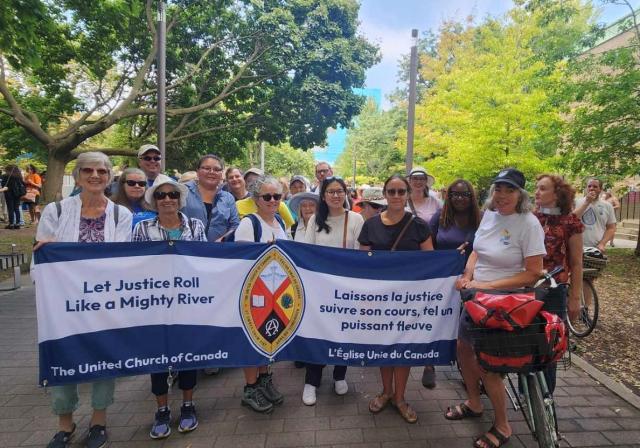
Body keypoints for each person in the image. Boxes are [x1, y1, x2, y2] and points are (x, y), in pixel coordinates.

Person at [35, 152, 132, 448]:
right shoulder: (57, 211)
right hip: (62, 304)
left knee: (103, 359)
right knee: (62, 358)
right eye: (88, 170)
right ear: (77, 176)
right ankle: (64, 424)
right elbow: (42, 256)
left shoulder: (121, 215)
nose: (95, 176)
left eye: (101, 171)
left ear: (109, 177)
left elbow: (123, 261)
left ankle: (98, 421)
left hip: (104, 303)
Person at [445, 168, 545, 448]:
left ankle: (502, 425)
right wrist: (468, 275)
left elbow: (533, 273)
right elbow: (477, 250)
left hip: (505, 303)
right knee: (463, 349)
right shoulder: (489, 215)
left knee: (489, 364)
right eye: (498, 189)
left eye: (509, 190)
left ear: (520, 195)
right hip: (475, 298)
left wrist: (487, 286)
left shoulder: (529, 223)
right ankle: (474, 403)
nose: (501, 196)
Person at [131, 175, 206, 439]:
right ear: (153, 200)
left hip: (188, 301)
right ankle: (161, 409)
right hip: (155, 304)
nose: (167, 200)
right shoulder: (142, 229)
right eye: (161, 195)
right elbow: (135, 265)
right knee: (158, 357)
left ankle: (188, 404)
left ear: (180, 200)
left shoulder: (195, 226)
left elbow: (204, 262)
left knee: (188, 355)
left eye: (172, 195)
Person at [358, 174, 434, 424]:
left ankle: (400, 397)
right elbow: (362, 264)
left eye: (401, 191)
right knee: (384, 346)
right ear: (385, 194)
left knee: (403, 348)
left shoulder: (419, 225)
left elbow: (430, 263)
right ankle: (386, 391)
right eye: (392, 191)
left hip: (408, 300)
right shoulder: (370, 225)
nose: (397, 196)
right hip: (380, 300)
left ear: (408, 194)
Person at [302, 177, 364, 406]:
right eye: (330, 192)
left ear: (345, 193)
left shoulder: (355, 219)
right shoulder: (314, 221)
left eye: (339, 191)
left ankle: (340, 375)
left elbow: (361, 253)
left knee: (343, 331)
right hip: (320, 288)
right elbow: (307, 253)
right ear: (323, 195)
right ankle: (312, 381)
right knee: (318, 333)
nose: (335, 195)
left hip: (347, 288)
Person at [234, 175, 286, 414]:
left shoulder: (280, 223)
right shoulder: (249, 224)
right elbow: (242, 259)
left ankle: (265, 379)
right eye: (267, 196)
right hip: (255, 293)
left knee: (269, 337)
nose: (273, 200)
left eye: (277, 196)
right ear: (256, 199)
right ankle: (251, 387)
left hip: (278, 292)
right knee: (253, 341)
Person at [534, 174, 584, 394]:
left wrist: (574, 299)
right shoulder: (530, 219)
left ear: (557, 194)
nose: (536, 192)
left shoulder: (570, 222)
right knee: (525, 342)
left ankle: (546, 399)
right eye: (537, 188)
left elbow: (576, 263)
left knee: (550, 343)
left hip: (555, 290)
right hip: (528, 288)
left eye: (542, 189)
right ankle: (528, 394)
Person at [407, 166, 441, 387]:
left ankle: (429, 362)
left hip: (427, 260)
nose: (418, 182)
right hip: (404, 260)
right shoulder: (401, 197)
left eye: (422, 179)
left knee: (427, 309)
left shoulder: (435, 201)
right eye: (415, 178)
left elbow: (442, 226)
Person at [182, 154, 240, 242]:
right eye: (207, 168)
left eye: (217, 169)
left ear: (221, 174)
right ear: (198, 171)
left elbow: (235, 225)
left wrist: (222, 240)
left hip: (218, 252)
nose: (212, 172)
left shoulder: (228, 198)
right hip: (188, 250)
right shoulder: (183, 192)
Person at [429, 179, 481, 261]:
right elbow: (428, 249)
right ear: (449, 196)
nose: (460, 198)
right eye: (455, 194)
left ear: (471, 197)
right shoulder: (440, 216)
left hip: (474, 271)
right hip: (445, 270)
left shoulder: (481, 218)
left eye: (465, 194)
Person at [573, 177, 616, 253]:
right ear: (586, 188)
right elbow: (571, 220)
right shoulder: (576, 202)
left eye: (595, 186)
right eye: (589, 186)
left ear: (600, 189)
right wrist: (587, 202)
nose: (591, 188)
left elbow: (611, 228)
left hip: (596, 248)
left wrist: (602, 243)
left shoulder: (607, 206)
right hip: (576, 246)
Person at [0, 165, 25, 229]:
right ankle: (18, 223)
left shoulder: (5, 176)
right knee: (16, 208)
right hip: (17, 194)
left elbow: (3, 184)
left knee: (10, 209)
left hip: (9, 194)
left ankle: (11, 224)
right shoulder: (19, 176)